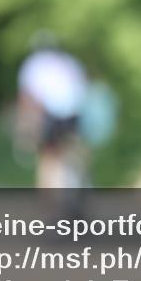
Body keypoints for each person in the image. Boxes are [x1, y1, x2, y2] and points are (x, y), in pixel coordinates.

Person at [16, 38, 90, 200]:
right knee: (73, 152)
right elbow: (82, 88)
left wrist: (25, 128)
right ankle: (80, 190)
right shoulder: (70, 61)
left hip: (50, 114)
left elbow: (28, 97)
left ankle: (49, 200)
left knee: (48, 156)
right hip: (73, 114)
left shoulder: (34, 63)